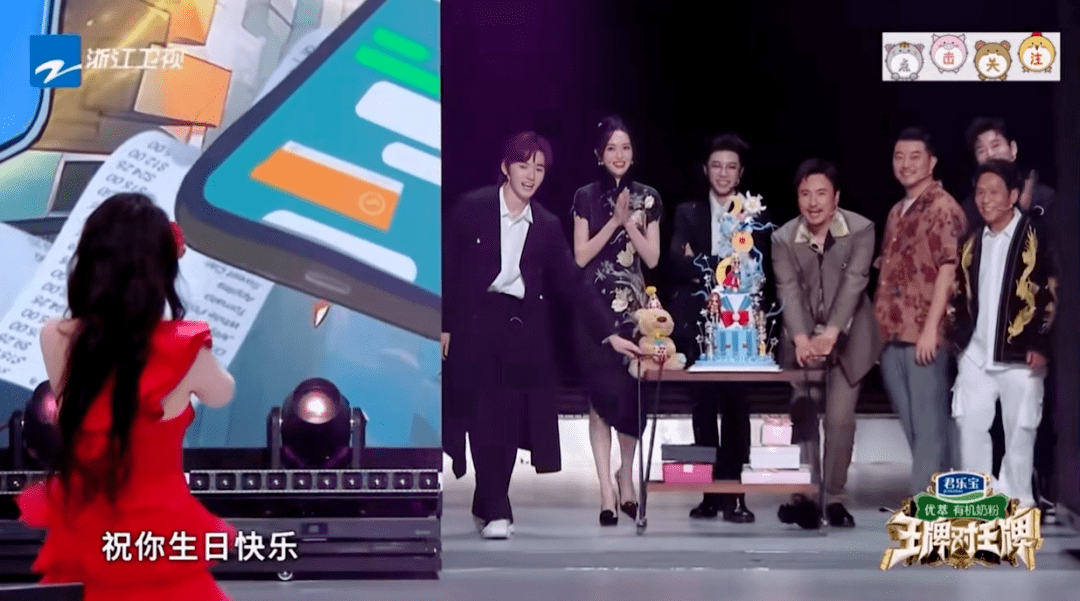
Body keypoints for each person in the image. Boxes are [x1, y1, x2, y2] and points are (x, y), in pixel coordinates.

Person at [16, 193, 237, 601]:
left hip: (87, 529)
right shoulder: (187, 351)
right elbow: (223, 393)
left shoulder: (57, 338)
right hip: (158, 536)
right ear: (161, 270)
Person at [442, 131, 640, 539]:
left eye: (539, 168)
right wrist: (443, 324)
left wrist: (609, 333)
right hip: (474, 324)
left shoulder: (546, 225)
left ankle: (490, 501)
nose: (531, 176)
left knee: (509, 420)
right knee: (481, 415)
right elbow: (447, 267)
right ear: (505, 168)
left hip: (522, 329)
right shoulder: (472, 208)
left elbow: (574, 283)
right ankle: (497, 506)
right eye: (523, 166)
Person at [771, 159, 882, 527]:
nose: (813, 202)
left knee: (838, 420)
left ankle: (834, 497)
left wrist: (831, 334)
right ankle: (804, 493)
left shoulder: (861, 229)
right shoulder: (783, 238)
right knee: (803, 411)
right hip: (802, 337)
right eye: (805, 194)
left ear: (836, 197)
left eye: (821, 194)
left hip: (849, 337)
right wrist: (803, 339)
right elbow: (787, 288)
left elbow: (855, 281)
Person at [668, 134, 771, 523]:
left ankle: (736, 494)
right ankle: (710, 493)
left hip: (740, 322)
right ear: (705, 170)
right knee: (703, 406)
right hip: (699, 321)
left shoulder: (753, 213)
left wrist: (702, 263)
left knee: (737, 406)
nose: (723, 173)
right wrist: (722, 265)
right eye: (717, 166)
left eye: (731, 167)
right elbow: (676, 263)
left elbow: (756, 266)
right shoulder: (688, 212)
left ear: (740, 173)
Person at [947, 159, 1058, 508]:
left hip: (1021, 354)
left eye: (994, 192)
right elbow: (959, 295)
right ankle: (977, 499)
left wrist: (1041, 342)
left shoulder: (1036, 235)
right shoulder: (971, 241)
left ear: (1012, 195)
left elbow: (1052, 290)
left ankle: (1018, 501)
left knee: (1021, 431)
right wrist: (961, 344)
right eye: (980, 192)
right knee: (969, 426)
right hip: (976, 353)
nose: (985, 199)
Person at [571, 116, 663, 526]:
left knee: (629, 399)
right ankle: (606, 492)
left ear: (634, 152)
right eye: (611, 148)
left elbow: (652, 258)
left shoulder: (649, 198)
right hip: (593, 311)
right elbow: (580, 256)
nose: (619, 155)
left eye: (625, 147)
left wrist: (629, 223)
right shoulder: (585, 197)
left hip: (635, 314)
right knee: (599, 402)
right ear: (599, 154)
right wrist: (613, 221)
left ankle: (626, 477)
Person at [874, 127, 966, 496]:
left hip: (924, 334)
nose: (906, 164)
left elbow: (948, 268)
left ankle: (928, 506)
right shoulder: (897, 212)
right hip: (893, 333)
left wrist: (931, 329)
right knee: (917, 427)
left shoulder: (942, 207)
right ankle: (943, 498)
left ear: (932, 162)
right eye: (899, 157)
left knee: (929, 428)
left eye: (915, 157)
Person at [962, 117, 1055, 231]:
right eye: (981, 150)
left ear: (1013, 149)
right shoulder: (971, 209)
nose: (989, 154)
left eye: (995, 145)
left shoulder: (1043, 197)